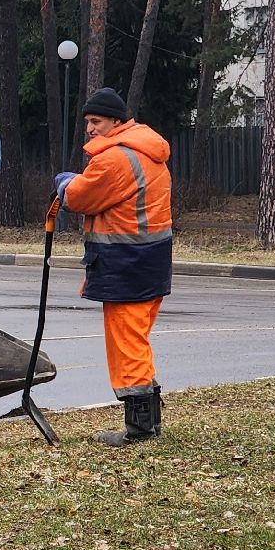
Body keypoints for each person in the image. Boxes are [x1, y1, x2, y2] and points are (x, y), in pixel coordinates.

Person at [54, 87, 173, 447]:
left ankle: (140, 428)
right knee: (137, 342)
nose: (90, 128)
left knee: (127, 347)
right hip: (150, 264)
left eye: (96, 121)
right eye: (87, 122)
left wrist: (64, 182)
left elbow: (79, 197)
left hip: (126, 266)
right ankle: (149, 421)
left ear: (117, 122)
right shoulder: (148, 152)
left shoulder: (114, 159)